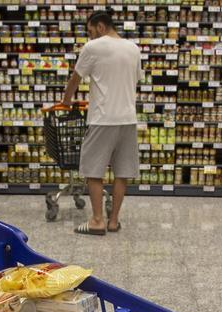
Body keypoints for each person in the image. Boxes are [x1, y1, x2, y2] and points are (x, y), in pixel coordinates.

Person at [60, 11, 143, 236]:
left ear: (100, 27)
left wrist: (66, 101)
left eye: (90, 31)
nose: (90, 36)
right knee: (122, 172)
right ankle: (113, 221)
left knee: (93, 171)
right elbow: (135, 80)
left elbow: (75, 79)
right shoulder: (133, 49)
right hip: (128, 119)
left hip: (102, 119)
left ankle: (97, 220)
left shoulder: (93, 47)